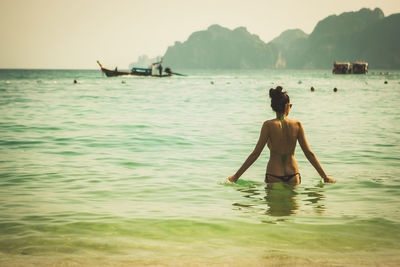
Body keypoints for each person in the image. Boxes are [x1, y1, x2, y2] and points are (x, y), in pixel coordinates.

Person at [226, 86, 336, 184]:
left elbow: (255, 154)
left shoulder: (268, 125)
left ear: (273, 106)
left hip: (274, 175)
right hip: (293, 175)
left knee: (274, 207)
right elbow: (308, 153)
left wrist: (236, 177)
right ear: (287, 106)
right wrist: (324, 176)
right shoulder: (297, 125)